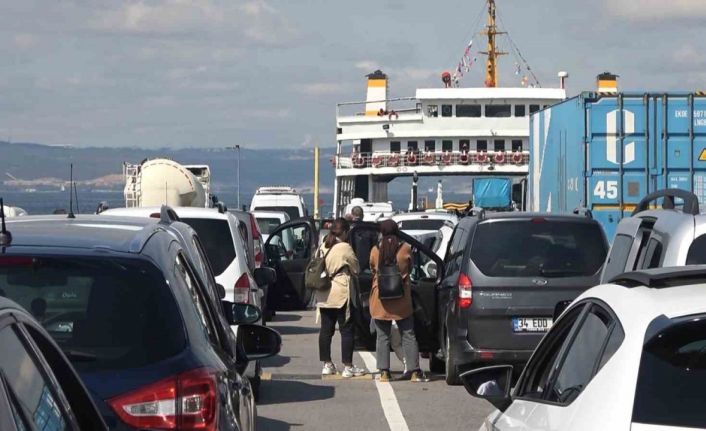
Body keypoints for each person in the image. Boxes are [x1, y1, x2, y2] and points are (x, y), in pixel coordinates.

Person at [369, 219, 428, 382]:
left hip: (381, 300)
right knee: (408, 334)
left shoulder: (375, 250)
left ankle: (384, 372)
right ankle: (414, 370)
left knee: (383, 336)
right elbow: (410, 268)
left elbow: (372, 267)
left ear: (381, 232)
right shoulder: (405, 249)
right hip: (402, 299)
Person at [315, 218, 367, 378]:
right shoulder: (345, 247)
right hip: (340, 292)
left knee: (326, 330)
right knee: (346, 330)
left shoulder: (323, 245)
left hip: (324, 293)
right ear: (344, 232)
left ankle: (327, 364)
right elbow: (356, 267)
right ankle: (348, 366)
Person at [350, 206, 378, 273]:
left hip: (352, 266)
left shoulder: (348, 230)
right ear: (362, 216)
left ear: (352, 215)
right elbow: (375, 248)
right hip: (367, 267)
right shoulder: (370, 229)